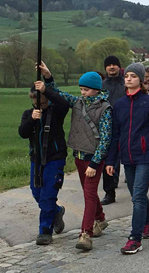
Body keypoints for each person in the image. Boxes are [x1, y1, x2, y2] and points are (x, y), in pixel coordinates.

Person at [36, 63, 112, 251]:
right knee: (90, 192)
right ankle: (100, 219)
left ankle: (85, 234)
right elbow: (58, 94)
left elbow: (105, 138)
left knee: (88, 196)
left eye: (86, 90)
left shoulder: (105, 109)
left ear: (96, 90)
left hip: (93, 159)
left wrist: (95, 163)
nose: (83, 92)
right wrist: (48, 78)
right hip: (78, 156)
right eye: (81, 89)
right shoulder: (77, 103)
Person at [106, 63, 149, 255]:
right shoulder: (119, 104)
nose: (129, 79)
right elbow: (115, 135)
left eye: (133, 76)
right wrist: (111, 161)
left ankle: (134, 239)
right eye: (126, 76)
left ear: (141, 80)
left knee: (137, 197)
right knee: (138, 195)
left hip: (147, 155)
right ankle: (148, 221)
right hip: (128, 157)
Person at [19, 75, 69, 246]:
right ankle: (56, 212)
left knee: (48, 195)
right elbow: (22, 133)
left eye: (43, 101)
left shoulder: (56, 111)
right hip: (36, 159)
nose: (40, 105)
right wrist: (32, 120)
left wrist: (46, 89)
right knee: (37, 193)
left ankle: (45, 230)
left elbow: (64, 103)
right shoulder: (28, 114)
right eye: (37, 102)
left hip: (55, 158)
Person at [101, 55, 125, 205]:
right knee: (108, 160)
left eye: (114, 65)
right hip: (108, 126)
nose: (111, 67)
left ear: (118, 67)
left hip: (125, 124)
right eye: (108, 65)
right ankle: (109, 192)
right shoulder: (102, 86)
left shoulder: (125, 83)